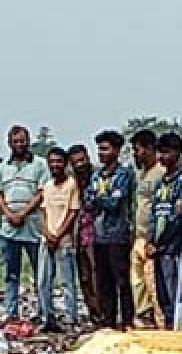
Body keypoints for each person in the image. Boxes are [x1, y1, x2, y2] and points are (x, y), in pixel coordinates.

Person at [0, 125, 49, 323]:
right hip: (9, 228)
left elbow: (42, 192)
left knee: (40, 273)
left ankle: (44, 312)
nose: (19, 145)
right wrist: (8, 213)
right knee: (11, 274)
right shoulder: (3, 167)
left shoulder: (40, 165)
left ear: (29, 141)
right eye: (15, 141)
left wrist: (23, 213)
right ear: (9, 144)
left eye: (22, 141)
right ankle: (11, 313)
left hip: (33, 226)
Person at [85, 129, 136, 329]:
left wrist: (99, 200)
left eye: (105, 149)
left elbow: (115, 202)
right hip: (99, 236)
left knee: (122, 281)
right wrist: (101, 200)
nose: (102, 153)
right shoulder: (96, 175)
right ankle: (108, 321)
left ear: (116, 150)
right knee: (103, 283)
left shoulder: (124, 175)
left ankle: (127, 321)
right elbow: (88, 200)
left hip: (118, 235)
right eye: (99, 149)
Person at [151, 132, 182, 329]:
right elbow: (154, 213)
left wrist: (162, 243)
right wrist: (151, 240)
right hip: (158, 246)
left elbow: (179, 217)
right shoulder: (161, 183)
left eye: (166, 152)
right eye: (159, 152)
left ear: (177, 153)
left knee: (174, 291)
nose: (162, 157)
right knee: (162, 293)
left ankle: (178, 328)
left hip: (173, 246)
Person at [38, 147, 81, 332]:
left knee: (67, 282)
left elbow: (73, 212)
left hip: (64, 241)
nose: (55, 165)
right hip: (47, 239)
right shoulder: (47, 186)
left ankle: (71, 318)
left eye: (59, 161)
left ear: (65, 164)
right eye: (52, 161)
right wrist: (47, 232)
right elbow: (44, 211)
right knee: (43, 281)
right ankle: (48, 318)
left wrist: (59, 234)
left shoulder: (72, 184)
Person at [130, 129, 165, 328]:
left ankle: (158, 320)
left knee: (152, 284)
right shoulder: (142, 174)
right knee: (138, 282)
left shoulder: (160, 173)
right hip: (139, 235)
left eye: (139, 149)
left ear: (150, 148)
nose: (136, 154)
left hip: (152, 238)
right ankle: (143, 316)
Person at [67, 143, 103, 327]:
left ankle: (104, 314)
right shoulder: (72, 182)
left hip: (97, 234)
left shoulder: (98, 177)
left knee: (98, 275)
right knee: (85, 277)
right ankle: (93, 314)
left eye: (82, 160)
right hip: (79, 235)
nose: (80, 165)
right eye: (76, 162)